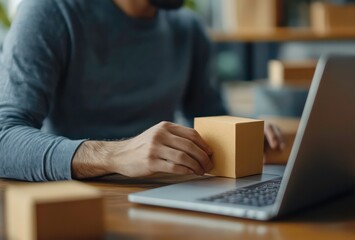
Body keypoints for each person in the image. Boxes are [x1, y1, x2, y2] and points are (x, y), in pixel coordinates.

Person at [0, 0, 284, 182]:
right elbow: (4, 136)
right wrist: (117, 155)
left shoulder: (187, 28)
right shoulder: (50, 12)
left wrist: (245, 132)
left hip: (167, 196)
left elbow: (211, 114)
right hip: (78, 203)